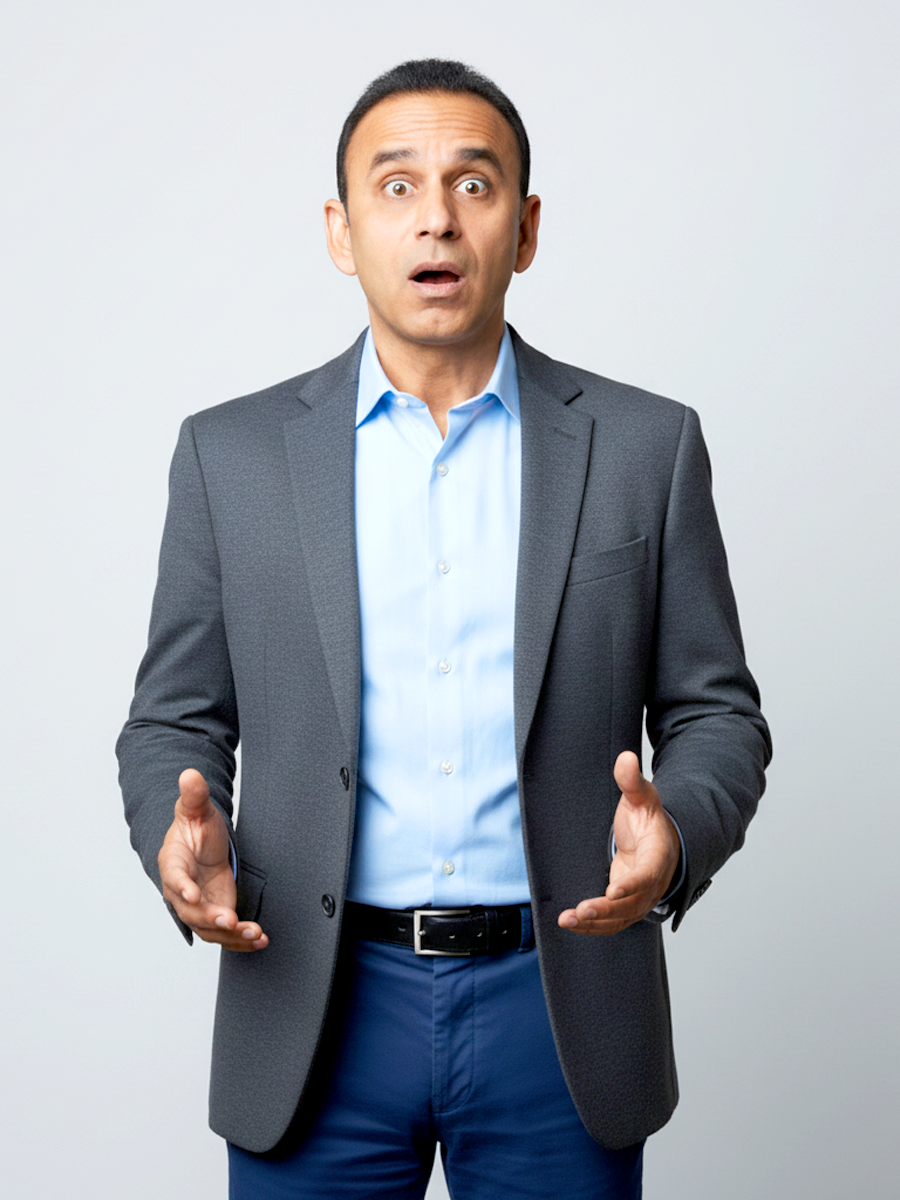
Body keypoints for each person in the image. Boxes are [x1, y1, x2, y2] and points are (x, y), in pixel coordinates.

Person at [118, 58, 771, 1199]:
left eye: (473, 185)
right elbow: (172, 720)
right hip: (314, 998)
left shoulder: (644, 447)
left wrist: (675, 837)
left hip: (560, 1000)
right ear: (341, 230)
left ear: (525, 229)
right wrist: (177, 844)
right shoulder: (231, 457)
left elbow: (718, 716)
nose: (436, 218)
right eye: (397, 186)